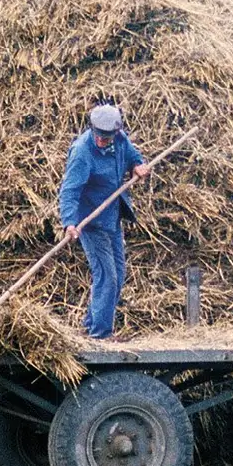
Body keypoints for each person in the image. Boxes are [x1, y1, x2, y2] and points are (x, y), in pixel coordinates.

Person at [59, 104, 150, 339]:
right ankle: (101, 335)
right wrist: (69, 222)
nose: (101, 141)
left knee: (118, 275)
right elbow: (69, 191)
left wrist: (138, 167)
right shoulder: (82, 152)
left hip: (112, 217)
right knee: (106, 277)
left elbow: (132, 156)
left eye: (106, 138)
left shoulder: (120, 140)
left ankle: (91, 325)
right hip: (90, 222)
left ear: (116, 133)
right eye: (98, 136)